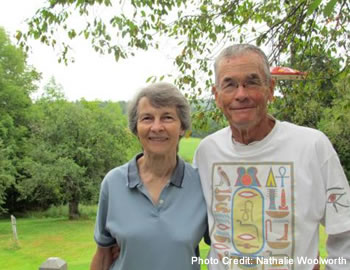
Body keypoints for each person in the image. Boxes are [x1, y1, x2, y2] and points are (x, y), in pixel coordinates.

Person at [194, 44, 350, 270]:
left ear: (270, 88)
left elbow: (345, 231)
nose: (241, 94)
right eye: (229, 84)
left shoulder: (312, 146)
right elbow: (183, 217)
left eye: (252, 82)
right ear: (217, 96)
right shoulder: (206, 151)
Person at [90, 82, 208, 270]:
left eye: (167, 117)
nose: (156, 127)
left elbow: (223, 247)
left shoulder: (202, 184)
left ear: (182, 127)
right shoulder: (113, 183)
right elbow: (103, 255)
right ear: (136, 128)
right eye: (147, 118)